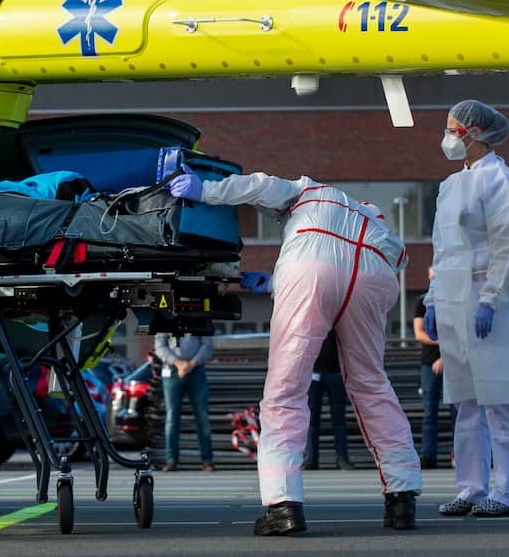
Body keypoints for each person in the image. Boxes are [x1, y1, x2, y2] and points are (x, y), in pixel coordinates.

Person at [169, 169, 420, 535]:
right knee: (371, 384)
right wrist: (275, 283)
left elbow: (260, 186)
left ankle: (282, 505)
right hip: (374, 274)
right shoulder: (375, 222)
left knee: (286, 388)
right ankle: (402, 498)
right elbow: (385, 260)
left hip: (309, 265)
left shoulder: (310, 191)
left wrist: (205, 190)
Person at [423, 100, 509, 518]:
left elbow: (508, 246)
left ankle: (507, 492)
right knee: (466, 402)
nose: (448, 137)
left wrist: (491, 298)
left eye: (455, 129)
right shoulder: (451, 185)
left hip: (492, 301)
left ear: (477, 133)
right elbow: (442, 248)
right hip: (454, 299)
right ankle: (471, 488)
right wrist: (433, 298)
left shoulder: (502, 181)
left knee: (500, 399)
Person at [154, 332, 216, 472]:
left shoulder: (201, 318)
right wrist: (178, 363)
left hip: (196, 370)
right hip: (172, 370)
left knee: (202, 417)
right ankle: (171, 459)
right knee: (172, 417)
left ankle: (207, 460)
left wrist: (191, 364)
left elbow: (207, 344)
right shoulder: (164, 319)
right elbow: (160, 346)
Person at [305, 330, 351, 471]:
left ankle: (341, 458)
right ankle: (311, 458)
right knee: (311, 420)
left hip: (336, 372)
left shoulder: (339, 320)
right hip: (314, 373)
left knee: (339, 419)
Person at [413, 267, 443, 469]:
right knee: (430, 411)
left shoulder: (453, 300)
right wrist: (443, 343)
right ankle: (428, 455)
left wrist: (446, 356)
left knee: (460, 411)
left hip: (453, 361)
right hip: (429, 363)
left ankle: (460, 455)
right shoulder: (422, 302)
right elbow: (419, 333)